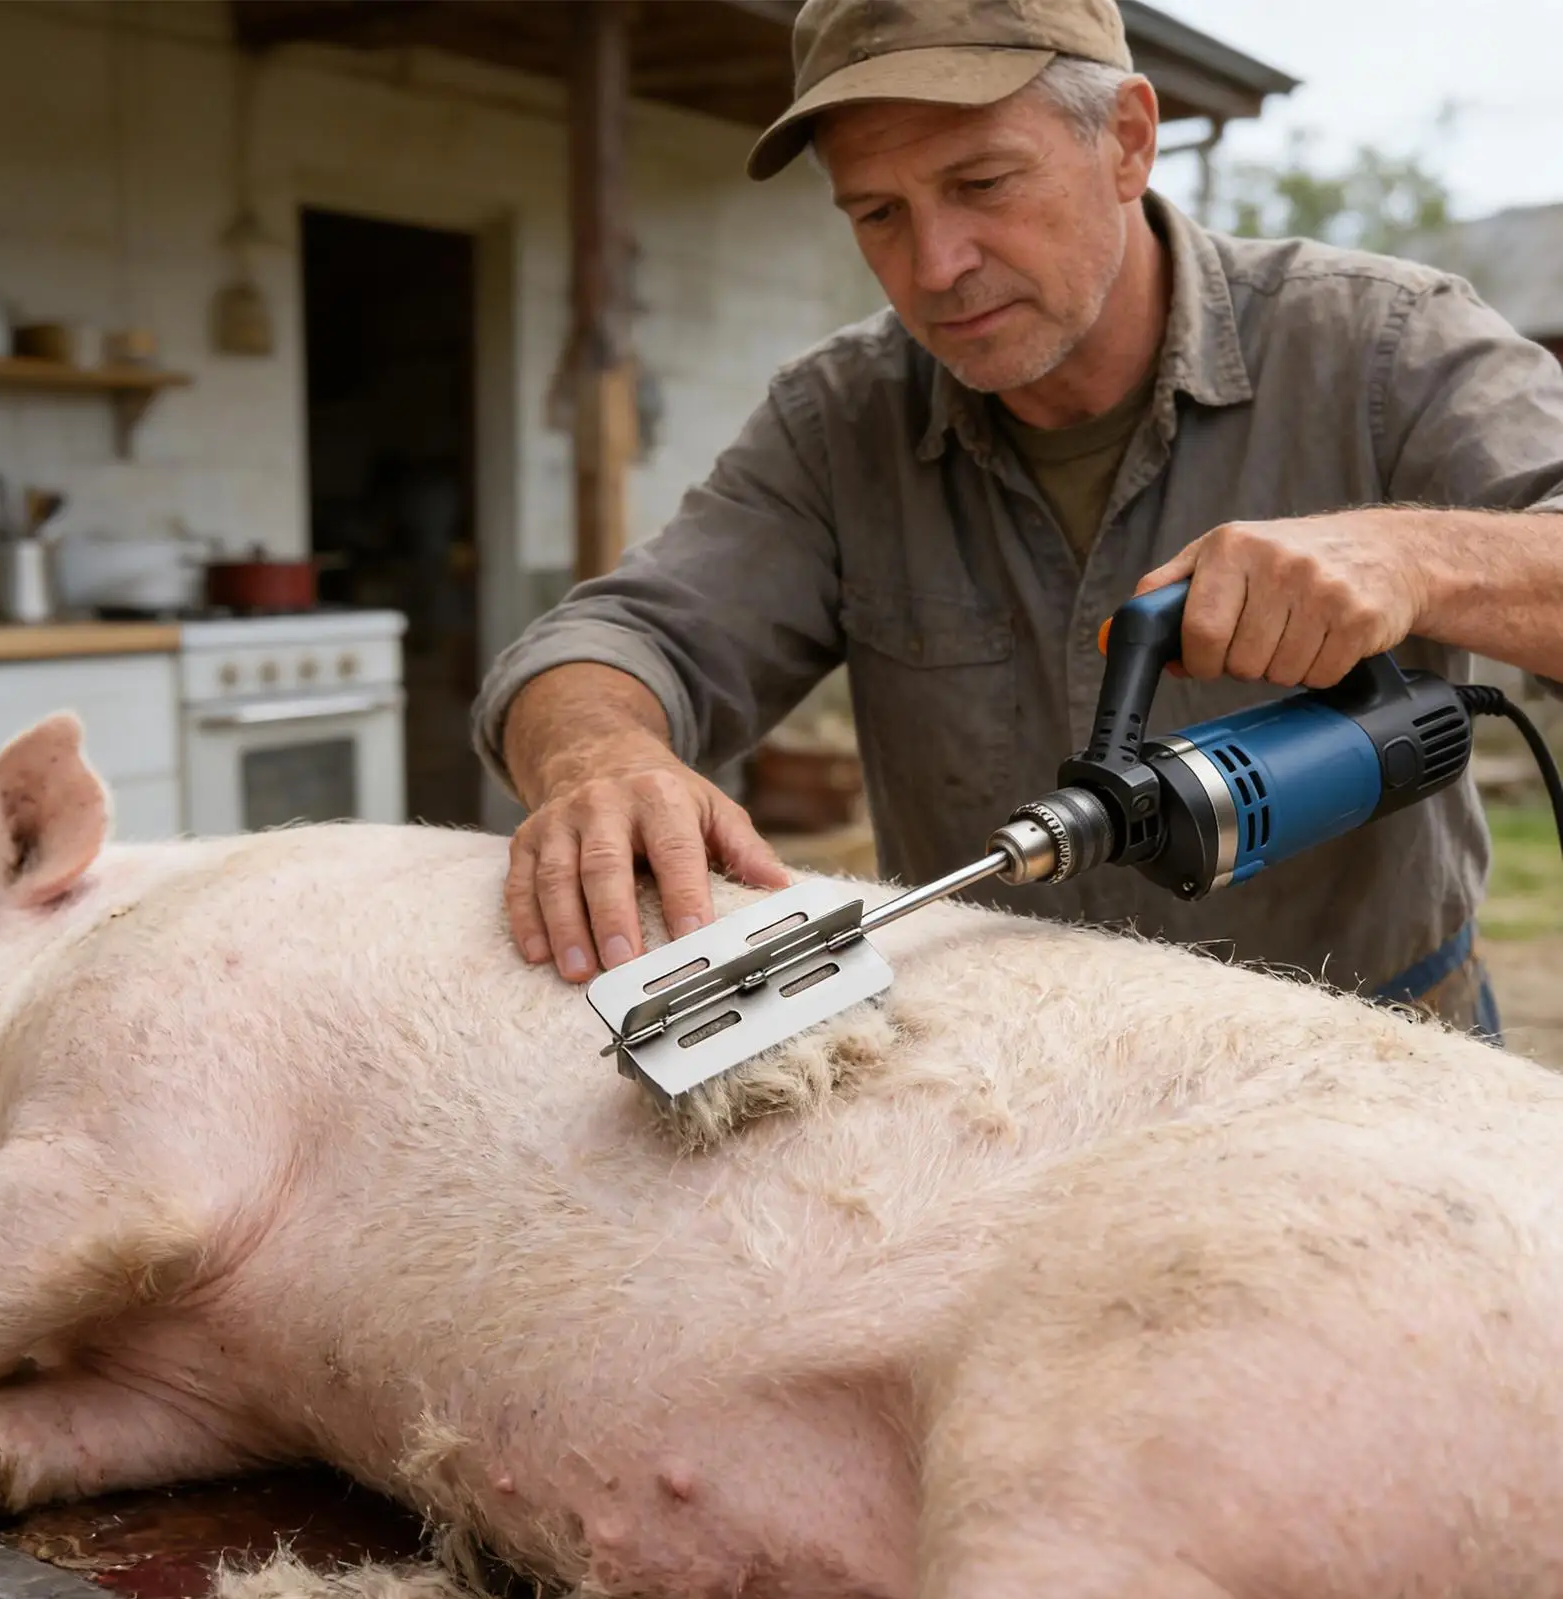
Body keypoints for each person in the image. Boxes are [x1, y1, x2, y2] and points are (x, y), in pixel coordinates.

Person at [471, 0, 1563, 1039]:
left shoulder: (1383, 347)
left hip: (1361, 1059)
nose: (935, 266)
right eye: (878, 214)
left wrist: (1415, 554)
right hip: (1001, 1104)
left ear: (1127, 142)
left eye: (982, 182)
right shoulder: (837, 420)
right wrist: (596, 757)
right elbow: (608, 640)